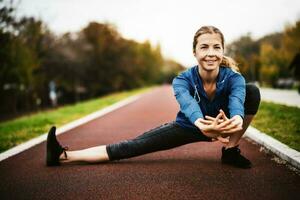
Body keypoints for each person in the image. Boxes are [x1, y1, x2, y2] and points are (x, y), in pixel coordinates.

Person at [46, 26, 260, 169]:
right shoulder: (182, 80)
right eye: (204, 47)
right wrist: (203, 125)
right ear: (194, 52)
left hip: (225, 127)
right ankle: (63, 156)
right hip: (189, 126)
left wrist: (234, 123)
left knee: (253, 91)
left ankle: (230, 151)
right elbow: (188, 105)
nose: (210, 53)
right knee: (130, 146)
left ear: (223, 51)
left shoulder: (235, 78)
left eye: (216, 47)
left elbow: (238, 102)